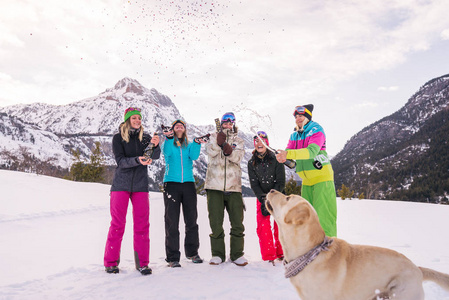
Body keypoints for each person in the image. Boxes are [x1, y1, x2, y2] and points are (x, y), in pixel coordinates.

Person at [104, 107, 160, 275]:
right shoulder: (118, 138)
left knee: (142, 225)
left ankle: (142, 263)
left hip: (140, 186)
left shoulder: (146, 138)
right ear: (127, 119)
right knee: (117, 224)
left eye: (139, 118)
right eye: (134, 118)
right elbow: (120, 161)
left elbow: (153, 156)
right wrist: (138, 160)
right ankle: (111, 263)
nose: (137, 120)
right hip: (121, 185)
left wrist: (154, 146)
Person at [276, 104, 337, 237]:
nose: (298, 119)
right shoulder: (294, 135)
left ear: (308, 117)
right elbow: (289, 153)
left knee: (324, 218)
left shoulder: (316, 129)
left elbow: (311, 152)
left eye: (301, 116)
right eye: (296, 116)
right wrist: (283, 157)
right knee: (308, 219)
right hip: (307, 181)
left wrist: (288, 154)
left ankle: (331, 251)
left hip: (322, 178)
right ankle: (312, 250)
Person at [161, 119, 207, 268]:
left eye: (181, 126)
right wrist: (168, 138)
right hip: (171, 184)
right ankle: (173, 257)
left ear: (184, 129)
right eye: (176, 126)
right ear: (173, 130)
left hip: (188, 184)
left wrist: (197, 142)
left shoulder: (189, 145)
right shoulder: (168, 142)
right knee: (172, 222)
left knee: (191, 220)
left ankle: (192, 253)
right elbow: (166, 152)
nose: (179, 127)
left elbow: (194, 156)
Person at [204, 112, 247, 266]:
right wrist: (218, 142)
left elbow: (237, 158)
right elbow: (210, 152)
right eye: (225, 122)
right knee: (215, 222)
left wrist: (226, 147)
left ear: (234, 124)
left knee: (237, 222)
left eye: (231, 122)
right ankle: (217, 254)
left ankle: (237, 254)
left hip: (234, 186)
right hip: (214, 185)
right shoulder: (212, 137)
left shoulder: (239, 140)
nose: (228, 125)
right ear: (221, 123)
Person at [248, 131, 285, 264]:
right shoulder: (251, 162)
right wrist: (263, 199)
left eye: (262, 140)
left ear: (267, 143)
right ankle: (269, 256)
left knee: (280, 225)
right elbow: (254, 184)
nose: (259, 143)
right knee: (263, 227)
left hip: (278, 197)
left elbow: (280, 181)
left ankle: (282, 253)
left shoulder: (276, 159)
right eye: (257, 141)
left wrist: (272, 197)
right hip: (262, 198)